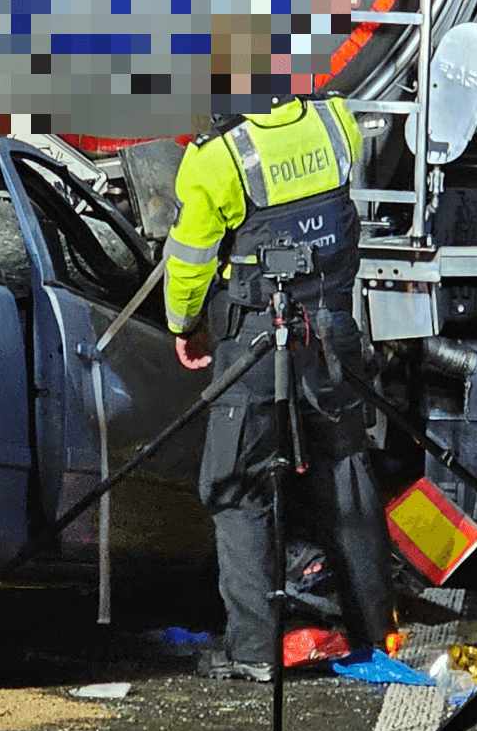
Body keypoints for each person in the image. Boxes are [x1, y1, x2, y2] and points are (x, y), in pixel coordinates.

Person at [162, 93, 393, 681]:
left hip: (259, 342)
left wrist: (184, 325)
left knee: (236, 486)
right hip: (333, 333)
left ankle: (255, 652)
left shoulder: (216, 159)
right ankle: (373, 635)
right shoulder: (334, 119)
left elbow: (189, 262)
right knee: (345, 472)